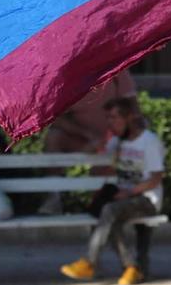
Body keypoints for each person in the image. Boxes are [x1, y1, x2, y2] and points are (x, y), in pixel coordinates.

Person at [59, 96, 165, 285]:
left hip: (146, 199)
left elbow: (155, 178)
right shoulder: (117, 141)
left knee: (109, 211)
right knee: (109, 219)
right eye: (108, 118)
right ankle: (132, 268)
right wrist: (95, 144)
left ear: (129, 118)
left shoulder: (148, 142)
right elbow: (92, 152)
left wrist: (130, 192)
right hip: (122, 199)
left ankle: (89, 262)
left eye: (114, 118)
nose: (110, 123)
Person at [41, 71, 135, 214]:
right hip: (81, 140)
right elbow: (56, 119)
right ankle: (53, 196)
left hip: (112, 141)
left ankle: (104, 204)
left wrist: (112, 139)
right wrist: (88, 136)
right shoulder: (66, 76)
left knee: (104, 199)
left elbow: (132, 110)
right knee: (54, 137)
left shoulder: (118, 69)